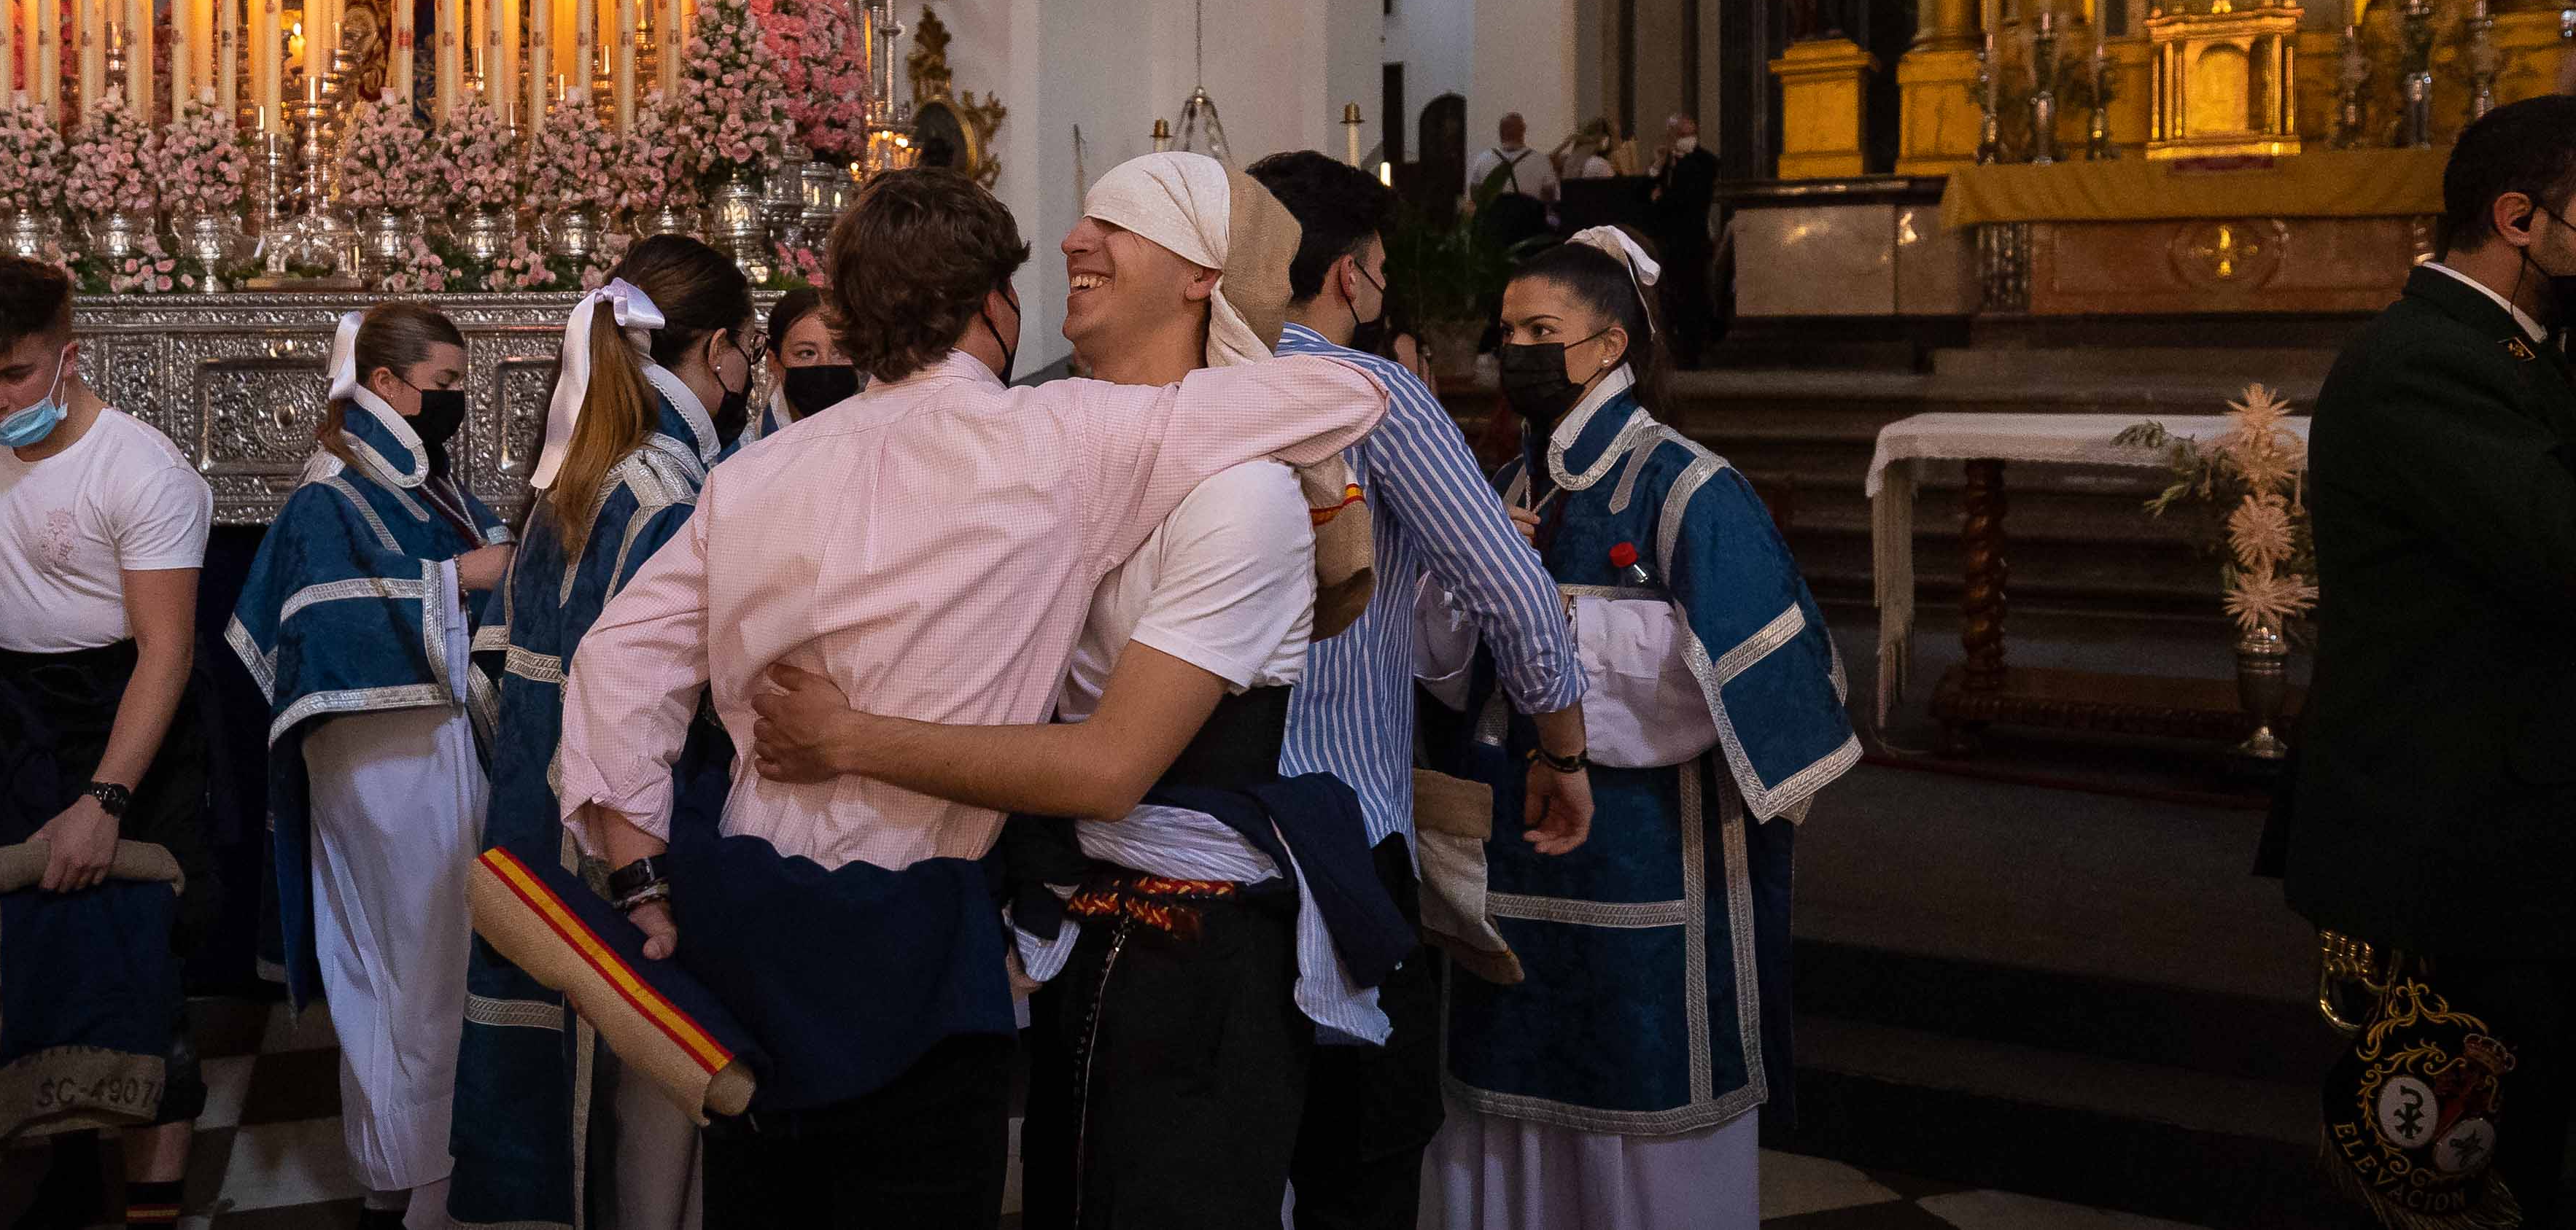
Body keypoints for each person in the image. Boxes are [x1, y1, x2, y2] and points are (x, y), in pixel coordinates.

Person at [555, 167, 1389, 1229]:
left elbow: (615, 666)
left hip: (753, 916)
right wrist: (1233, 347)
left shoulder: (751, 475)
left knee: (766, 1202)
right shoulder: (1058, 442)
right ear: (995, 304)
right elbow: (1348, 395)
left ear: (849, 314)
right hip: (918, 928)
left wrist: (644, 885)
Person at [1424, 227, 1859, 1229]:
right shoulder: (1508, 483)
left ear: (1611, 345)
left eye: (1544, 329)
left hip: (1649, 862)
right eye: (1507, 330)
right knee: (1506, 1113)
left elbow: (1742, 680)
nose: (1518, 349)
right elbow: (1446, 676)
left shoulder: (1689, 487)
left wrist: (1545, 614)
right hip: (1516, 868)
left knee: (1642, 1127)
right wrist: (1470, 580)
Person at [1242, 152, 1596, 1226]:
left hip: (1198, 823)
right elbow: (1513, 590)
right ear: (1348, 276)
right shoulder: (1370, 389)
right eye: (1384, 268)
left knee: (1237, 1158)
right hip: (1344, 829)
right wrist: (1562, 753)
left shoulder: (1189, 380)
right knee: (1364, 1151)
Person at [2289, 96, 2576, 1225]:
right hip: (2462, 838)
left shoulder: (2514, 353)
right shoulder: (2427, 363)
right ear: (2519, 219)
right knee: (2471, 1169)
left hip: (2515, 822)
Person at [453, 235, 753, 1230]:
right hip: (619, 820)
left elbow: (498, 657)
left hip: (535, 797)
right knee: (647, 1067)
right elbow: (670, 695)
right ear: (716, 351)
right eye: (748, 351)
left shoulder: (585, 465)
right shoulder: (671, 490)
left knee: (574, 1046)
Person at [0, 259, 217, 1230]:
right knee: (32, 958)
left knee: (141, 966)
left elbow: (167, 651)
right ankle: (60, 1163)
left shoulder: (142, 468)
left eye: (13, 374)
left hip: (125, 708)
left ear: (69, 356)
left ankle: (154, 1198)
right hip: (14, 713)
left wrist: (105, 802)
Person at [230, 303, 513, 1230]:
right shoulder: (333, 489)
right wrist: (458, 582)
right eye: (446, 385)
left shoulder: (412, 481)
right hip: (381, 754)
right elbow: (318, 618)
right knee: (410, 963)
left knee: (421, 962)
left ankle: (407, 1167)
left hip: (426, 747)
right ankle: (427, 1180)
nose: (457, 402)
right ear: (385, 385)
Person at [1648, 113, 1720, 365]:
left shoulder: (1702, 162)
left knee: (1692, 295)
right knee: (1678, 295)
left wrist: (1662, 197)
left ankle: (1693, 350)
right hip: (1678, 239)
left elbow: (1681, 199)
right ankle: (1682, 349)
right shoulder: (1675, 161)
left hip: (1690, 239)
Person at [754, 283, 854, 437]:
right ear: (774, 362)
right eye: (807, 353)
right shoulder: (749, 450)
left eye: (840, 352)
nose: (825, 364)